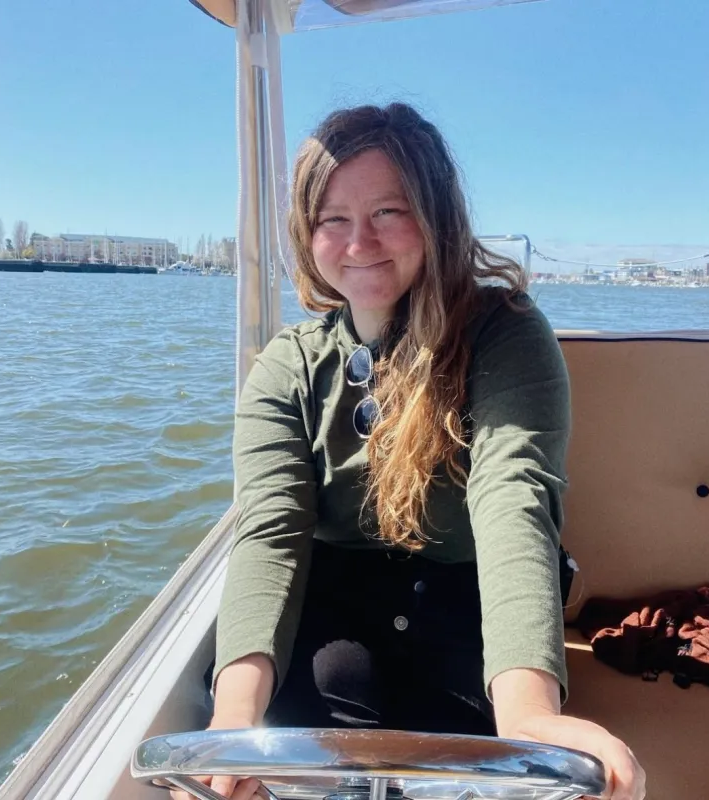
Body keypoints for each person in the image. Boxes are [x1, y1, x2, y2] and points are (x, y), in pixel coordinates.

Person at [169, 102, 645, 800]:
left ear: (435, 217)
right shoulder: (287, 367)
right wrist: (232, 721)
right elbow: (270, 536)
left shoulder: (503, 335)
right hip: (332, 610)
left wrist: (531, 714)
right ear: (307, 234)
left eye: (389, 211)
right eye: (333, 219)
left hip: (468, 604)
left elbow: (514, 499)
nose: (360, 240)